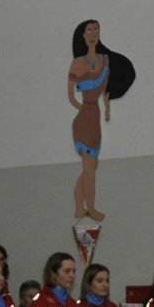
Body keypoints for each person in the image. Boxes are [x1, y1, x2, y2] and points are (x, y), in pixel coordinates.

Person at [68, 18, 113, 221]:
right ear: (83, 35)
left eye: (97, 29)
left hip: (95, 119)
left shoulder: (105, 60)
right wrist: (83, 109)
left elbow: (106, 92)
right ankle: (91, 208)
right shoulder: (77, 63)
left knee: (91, 166)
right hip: (84, 119)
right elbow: (71, 95)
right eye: (90, 30)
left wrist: (106, 109)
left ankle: (79, 207)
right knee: (89, 166)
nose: (94, 33)